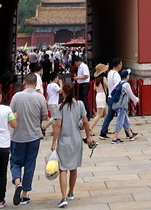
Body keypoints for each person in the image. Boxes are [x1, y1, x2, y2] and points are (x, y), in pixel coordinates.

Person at [50, 80, 93, 208]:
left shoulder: (60, 107)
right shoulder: (80, 104)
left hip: (64, 140)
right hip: (77, 140)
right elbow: (85, 122)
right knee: (73, 167)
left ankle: (63, 197)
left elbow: (58, 125)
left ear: (63, 92)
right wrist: (89, 136)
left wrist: (53, 142)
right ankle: (71, 192)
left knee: (63, 168)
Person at [9, 72, 48, 205]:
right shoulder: (40, 98)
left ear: (24, 83)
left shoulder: (16, 97)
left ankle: (17, 182)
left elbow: (11, 115)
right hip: (33, 136)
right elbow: (44, 116)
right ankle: (25, 193)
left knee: (15, 162)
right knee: (30, 164)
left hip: (17, 136)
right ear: (36, 84)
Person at [109, 68, 139, 143]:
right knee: (120, 121)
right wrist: (136, 100)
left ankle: (130, 135)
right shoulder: (126, 85)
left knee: (125, 121)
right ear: (127, 76)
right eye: (128, 75)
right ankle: (115, 138)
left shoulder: (119, 83)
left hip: (116, 105)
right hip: (122, 106)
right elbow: (130, 94)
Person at [98, 58, 123, 138]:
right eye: (121, 64)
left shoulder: (110, 73)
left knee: (109, 116)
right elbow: (118, 86)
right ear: (118, 64)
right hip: (115, 97)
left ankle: (103, 132)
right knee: (122, 114)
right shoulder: (116, 75)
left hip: (110, 96)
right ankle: (128, 133)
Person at [89, 64, 108, 135]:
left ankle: (106, 128)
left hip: (98, 95)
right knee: (99, 114)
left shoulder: (96, 80)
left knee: (106, 113)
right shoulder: (103, 79)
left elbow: (94, 88)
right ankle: (90, 128)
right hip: (102, 96)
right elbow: (108, 85)